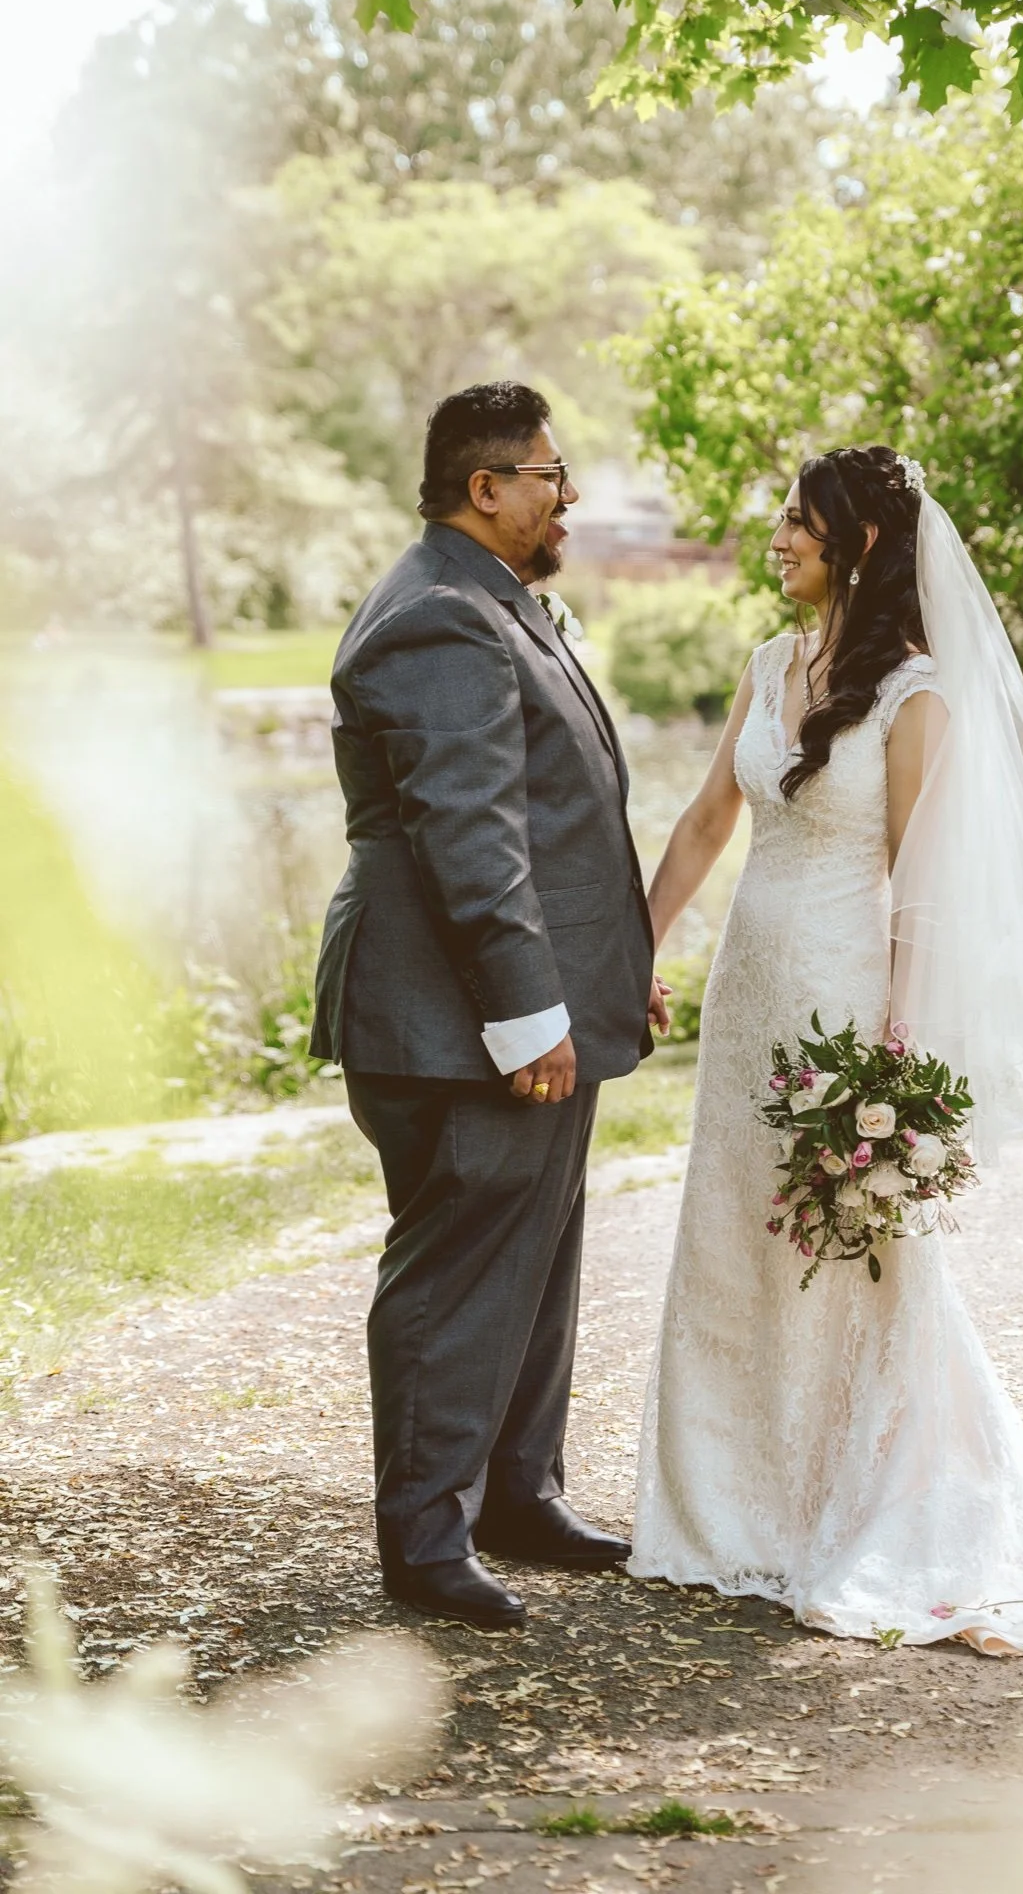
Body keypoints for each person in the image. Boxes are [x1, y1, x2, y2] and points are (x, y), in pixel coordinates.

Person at [629, 444, 1023, 1653]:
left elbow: (919, 886)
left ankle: (872, 1498)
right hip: (750, 990)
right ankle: (725, 1501)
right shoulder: (764, 665)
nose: (779, 537)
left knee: (854, 1252)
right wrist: (634, 948)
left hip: (847, 998)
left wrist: (894, 1055)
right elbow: (707, 820)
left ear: (855, 543)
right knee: (736, 1226)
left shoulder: (915, 694)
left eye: (798, 522)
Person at [310, 381, 664, 1630]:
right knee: (458, 1272)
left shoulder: (492, 605)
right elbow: (473, 839)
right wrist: (527, 1014)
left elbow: (557, 822)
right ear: (486, 487)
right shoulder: (441, 619)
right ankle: (426, 1538)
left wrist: (612, 972)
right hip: (455, 1021)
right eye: (551, 475)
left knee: (534, 1253)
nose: (566, 495)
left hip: (510, 1009)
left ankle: (517, 1493)